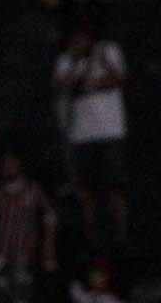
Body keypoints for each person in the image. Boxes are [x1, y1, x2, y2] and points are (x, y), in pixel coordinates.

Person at [52, 26, 127, 244]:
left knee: (115, 186)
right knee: (85, 189)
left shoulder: (109, 51)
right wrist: (77, 64)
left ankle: (121, 232)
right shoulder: (67, 60)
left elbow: (119, 79)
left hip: (111, 131)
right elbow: (59, 86)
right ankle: (91, 234)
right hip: (81, 134)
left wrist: (102, 64)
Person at [0, 125, 56, 303]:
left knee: (22, 299)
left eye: (12, 163)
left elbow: (49, 217)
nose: (8, 167)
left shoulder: (32, 190)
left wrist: (48, 250)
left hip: (23, 253)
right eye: (5, 163)